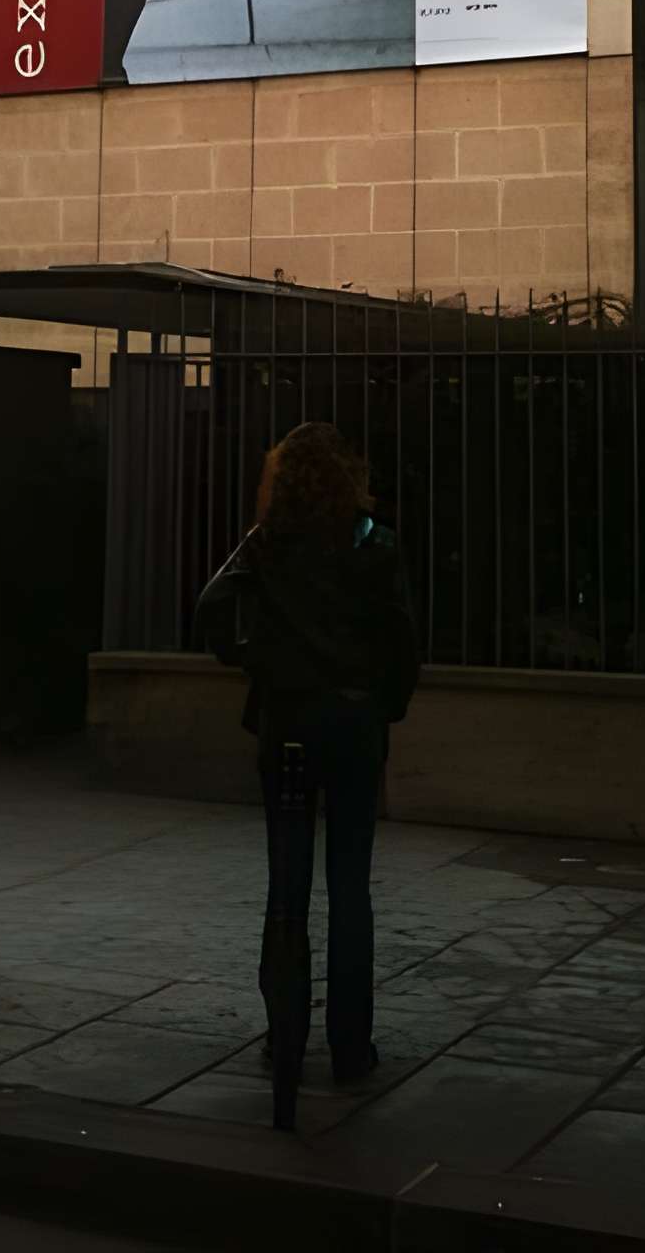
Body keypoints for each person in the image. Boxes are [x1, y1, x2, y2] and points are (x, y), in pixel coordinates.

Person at [194, 421, 419, 1084]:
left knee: (286, 883)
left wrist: (250, 659)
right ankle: (351, 1047)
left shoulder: (267, 545)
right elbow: (401, 640)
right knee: (350, 885)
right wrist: (385, 705)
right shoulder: (375, 544)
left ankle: (285, 1036)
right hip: (353, 723)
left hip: (287, 720)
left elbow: (212, 605)